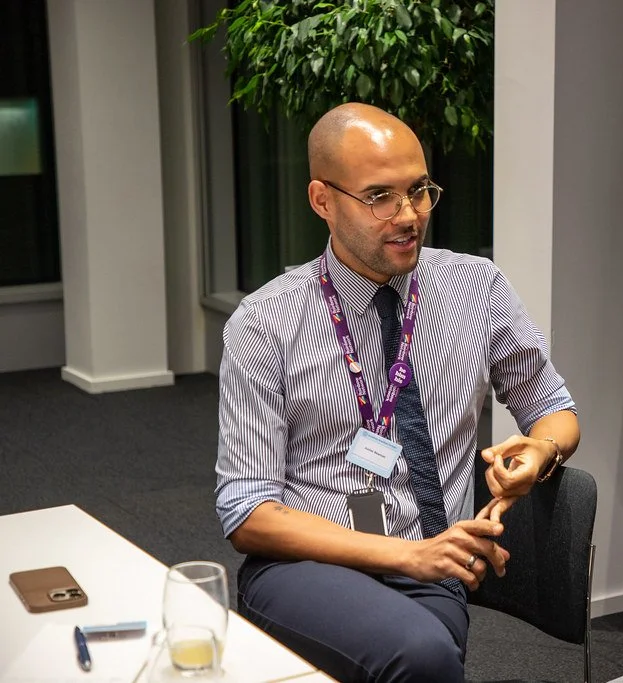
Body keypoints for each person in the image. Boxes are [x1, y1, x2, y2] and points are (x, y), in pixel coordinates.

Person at [215, 102, 580, 682]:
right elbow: (247, 513)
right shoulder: (264, 323)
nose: (409, 215)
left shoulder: (475, 289)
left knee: (421, 650)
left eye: (419, 191)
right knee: (421, 655)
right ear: (322, 201)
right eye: (381, 196)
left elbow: (553, 408)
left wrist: (541, 451)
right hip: (306, 563)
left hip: (434, 568)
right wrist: (410, 554)